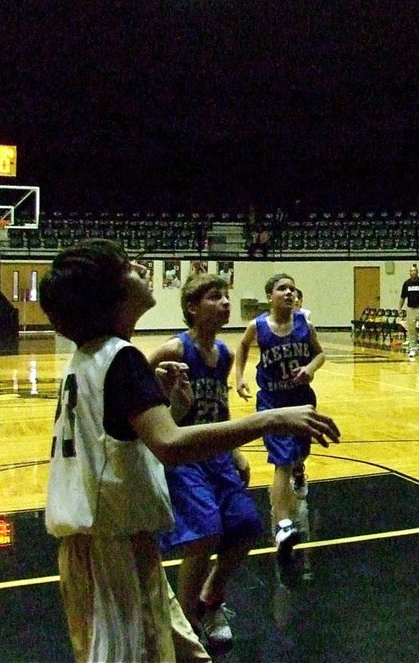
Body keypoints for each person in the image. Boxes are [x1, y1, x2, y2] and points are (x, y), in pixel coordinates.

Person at [39, 239, 340, 663]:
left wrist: (172, 408)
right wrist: (273, 418)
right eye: (128, 266)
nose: (141, 268)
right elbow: (171, 445)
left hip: (99, 542)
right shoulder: (123, 358)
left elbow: (125, 440)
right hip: (111, 546)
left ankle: (206, 604)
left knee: (180, 649)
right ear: (111, 293)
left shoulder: (91, 357)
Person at [147, 274, 260, 653]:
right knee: (204, 532)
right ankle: (186, 625)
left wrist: (235, 449)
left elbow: (220, 407)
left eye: (226, 296)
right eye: (215, 297)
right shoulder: (175, 350)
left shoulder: (224, 354)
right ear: (192, 308)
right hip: (184, 453)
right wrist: (167, 404)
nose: (225, 303)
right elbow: (135, 389)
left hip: (216, 454)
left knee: (246, 525)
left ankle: (210, 597)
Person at [236, 273, 326, 562]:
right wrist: (239, 377)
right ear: (269, 297)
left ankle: (300, 470)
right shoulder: (258, 326)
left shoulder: (304, 324)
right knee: (281, 460)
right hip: (272, 403)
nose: (289, 293)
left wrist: (310, 368)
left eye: (292, 289)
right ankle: (284, 526)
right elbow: (242, 346)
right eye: (282, 288)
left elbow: (320, 355)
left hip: (300, 399)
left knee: (300, 453)